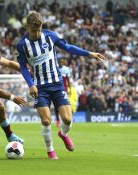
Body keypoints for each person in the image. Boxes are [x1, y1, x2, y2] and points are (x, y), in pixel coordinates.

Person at [16, 12, 105, 160]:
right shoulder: (22, 45)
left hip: (57, 84)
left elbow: (68, 47)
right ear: (27, 27)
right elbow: (23, 67)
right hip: (40, 87)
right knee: (46, 121)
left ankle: (63, 134)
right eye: (33, 30)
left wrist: (89, 53)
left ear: (42, 26)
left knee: (68, 119)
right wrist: (30, 84)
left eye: (39, 29)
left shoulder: (50, 36)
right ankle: (50, 150)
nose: (37, 33)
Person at [55, 59, 71, 127]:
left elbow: (68, 79)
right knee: (57, 105)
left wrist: (69, 88)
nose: (60, 63)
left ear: (63, 62)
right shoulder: (56, 68)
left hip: (64, 89)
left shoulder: (66, 69)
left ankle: (63, 119)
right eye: (59, 62)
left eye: (61, 62)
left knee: (64, 104)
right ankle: (58, 120)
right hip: (56, 88)